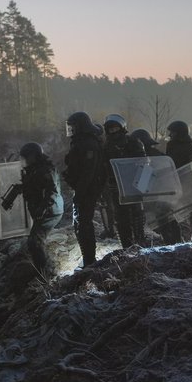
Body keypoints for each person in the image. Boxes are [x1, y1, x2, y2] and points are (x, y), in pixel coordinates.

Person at [1, 142, 64, 274]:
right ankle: (43, 269)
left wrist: (42, 208)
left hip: (51, 211)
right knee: (36, 240)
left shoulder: (46, 169)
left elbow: (52, 191)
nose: (24, 161)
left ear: (34, 156)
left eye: (26, 157)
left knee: (34, 241)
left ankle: (44, 273)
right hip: (42, 211)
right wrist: (16, 191)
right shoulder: (33, 170)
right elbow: (33, 186)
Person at [62, 112, 105, 267]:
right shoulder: (81, 142)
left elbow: (89, 172)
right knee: (80, 223)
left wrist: (79, 193)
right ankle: (87, 257)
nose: (70, 129)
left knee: (84, 224)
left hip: (88, 190)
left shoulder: (89, 144)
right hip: (83, 189)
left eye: (73, 126)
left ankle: (89, 260)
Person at [101, 114, 146, 248]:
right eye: (110, 129)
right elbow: (104, 166)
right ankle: (127, 247)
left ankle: (140, 244)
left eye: (115, 128)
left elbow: (144, 164)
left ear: (122, 128)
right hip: (116, 187)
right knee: (121, 219)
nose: (112, 131)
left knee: (137, 216)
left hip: (134, 185)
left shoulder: (133, 142)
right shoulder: (106, 146)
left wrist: (142, 185)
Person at [164, 120, 192, 241]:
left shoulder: (191, 149)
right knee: (175, 217)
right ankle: (184, 242)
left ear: (179, 133)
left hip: (189, 187)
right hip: (178, 186)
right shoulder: (175, 146)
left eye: (173, 132)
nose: (170, 135)